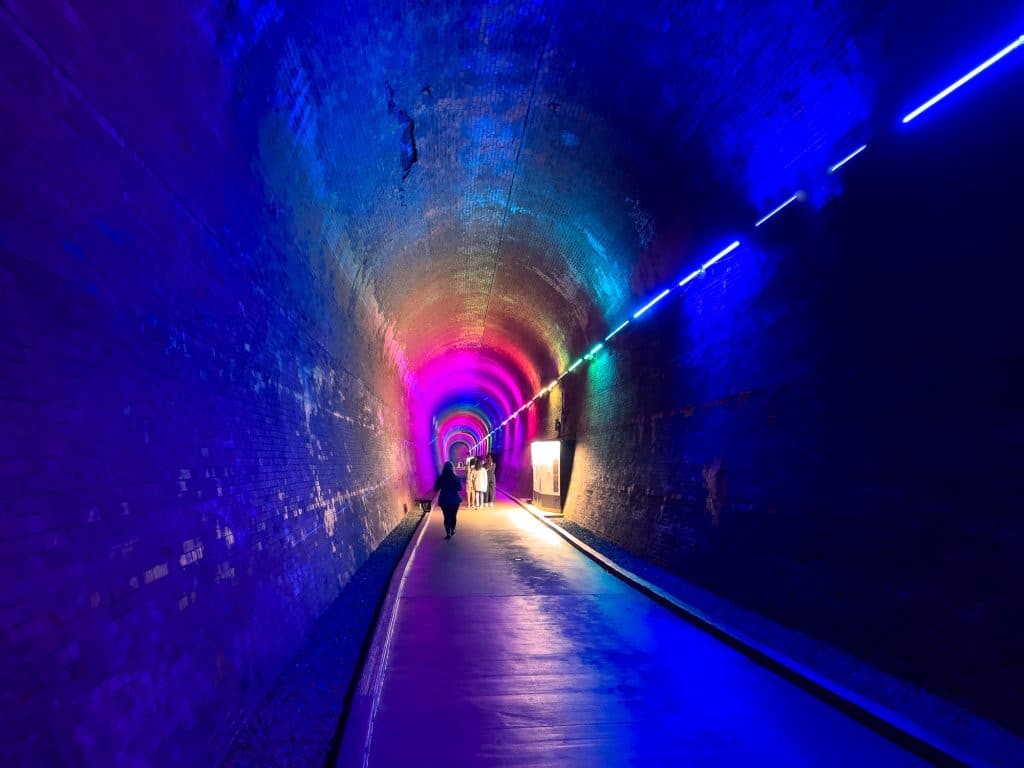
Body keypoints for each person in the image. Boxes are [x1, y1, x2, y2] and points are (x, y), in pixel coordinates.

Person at [433, 461, 462, 540]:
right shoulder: (456, 477)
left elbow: (435, 488)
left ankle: (448, 532)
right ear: (452, 468)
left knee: (446, 516)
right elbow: (460, 488)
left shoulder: (441, 478)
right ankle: (452, 529)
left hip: (444, 500)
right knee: (453, 516)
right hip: (454, 500)